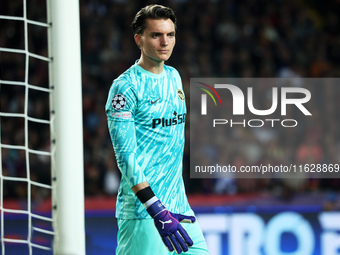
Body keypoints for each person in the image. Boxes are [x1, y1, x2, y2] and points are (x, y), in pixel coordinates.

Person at [105, 4, 209, 255]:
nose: (165, 42)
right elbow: (125, 157)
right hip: (145, 213)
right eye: (156, 35)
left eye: (170, 34)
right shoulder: (125, 88)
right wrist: (157, 210)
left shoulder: (174, 76)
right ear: (138, 39)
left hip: (180, 208)